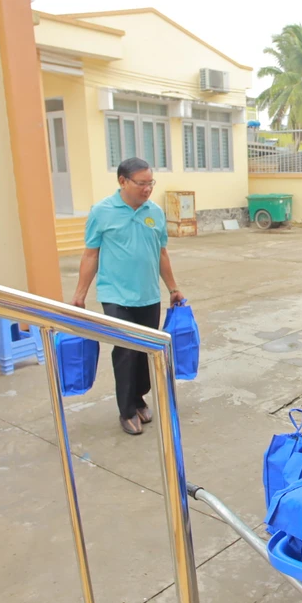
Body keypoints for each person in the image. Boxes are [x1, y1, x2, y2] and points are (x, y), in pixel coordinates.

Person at [71, 158, 184, 436]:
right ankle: (126, 410)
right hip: (115, 294)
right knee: (125, 352)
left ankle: (138, 397)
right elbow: (91, 254)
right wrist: (80, 295)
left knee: (146, 350)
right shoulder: (102, 212)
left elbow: (162, 253)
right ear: (123, 182)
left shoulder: (154, 213)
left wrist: (172, 288)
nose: (147, 189)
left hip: (148, 294)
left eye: (150, 183)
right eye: (141, 183)